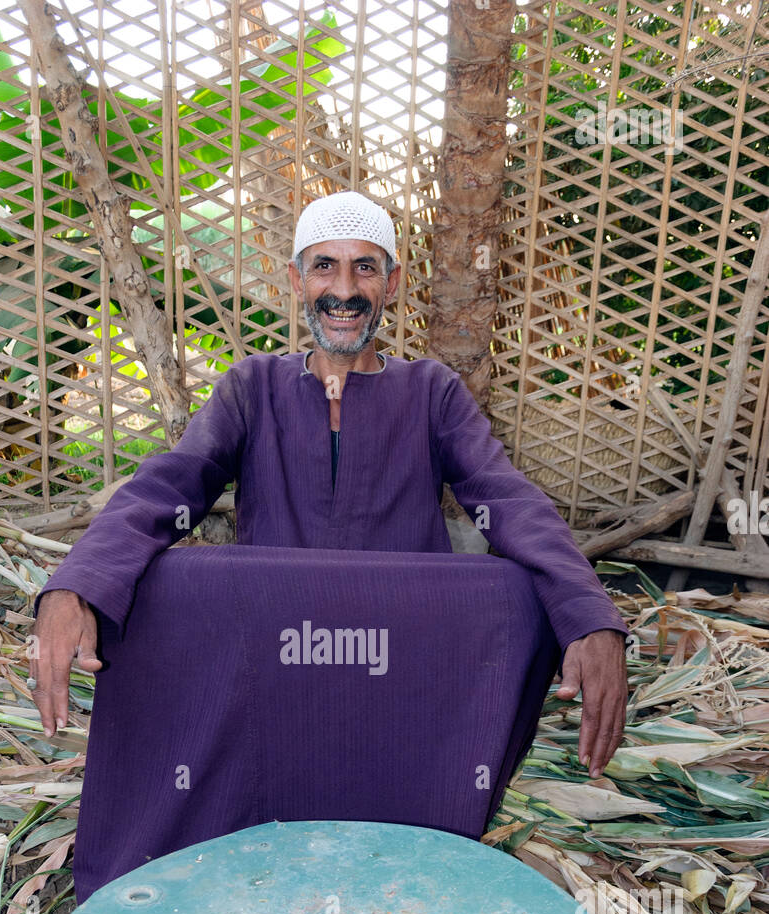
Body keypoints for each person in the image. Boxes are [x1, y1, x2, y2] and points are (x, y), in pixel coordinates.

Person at [32, 190, 628, 834]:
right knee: (162, 580)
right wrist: (73, 587)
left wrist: (590, 618)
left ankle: (431, 804)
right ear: (295, 280)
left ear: (392, 283)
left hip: (401, 656)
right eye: (324, 266)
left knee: (518, 590)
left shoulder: (432, 392)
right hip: (274, 653)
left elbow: (505, 498)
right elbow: (167, 487)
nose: (342, 290)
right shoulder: (252, 386)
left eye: (364, 268)